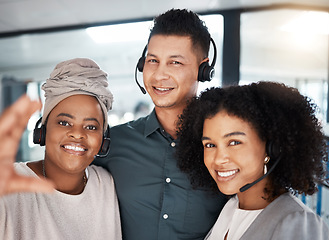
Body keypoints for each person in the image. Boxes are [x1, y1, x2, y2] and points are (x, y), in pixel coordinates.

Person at [93, 8, 228, 240]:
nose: (159, 75)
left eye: (175, 62)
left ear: (203, 70)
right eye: (152, 60)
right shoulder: (112, 142)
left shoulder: (222, 146)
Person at [176, 82, 329, 240]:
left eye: (234, 142)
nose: (218, 159)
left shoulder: (298, 223)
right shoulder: (231, 208)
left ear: (272, 147)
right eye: (210, 145)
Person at [0, 58, 122, 240]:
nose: (77, 134)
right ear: (43, 129)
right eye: (64, 122)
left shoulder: (104, 183)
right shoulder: (8, 186)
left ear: (103, 139)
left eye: (90, 126)